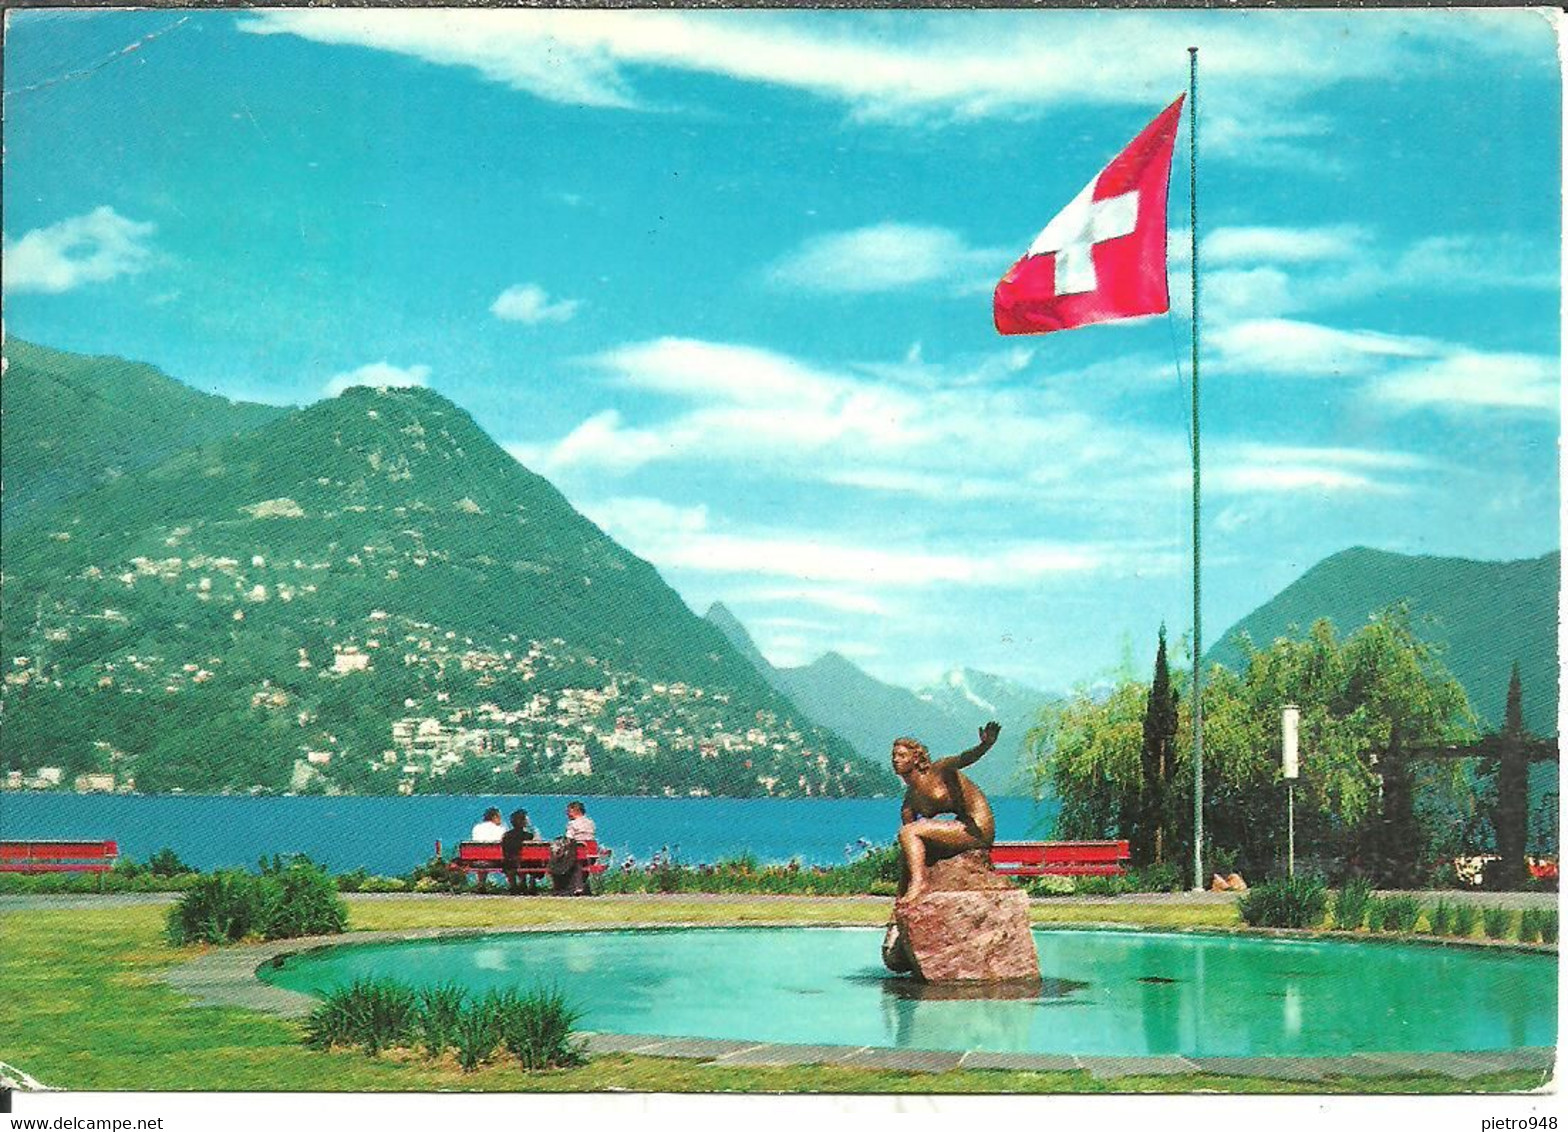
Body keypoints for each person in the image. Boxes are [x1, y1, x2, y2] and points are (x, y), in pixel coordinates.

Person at [892, 721, 1000, 903]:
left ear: (916, 759)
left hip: (977, 828)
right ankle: (911, 889)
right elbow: (909, 846)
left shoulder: (940, 770)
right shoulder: (910, 801)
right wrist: (900, 897)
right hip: (958, 828)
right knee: (909, 835)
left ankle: (920, 884)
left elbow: (964, 758)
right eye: (893, 755)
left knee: (909, 831)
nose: (895, 759)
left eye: (902, 755)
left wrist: (985, 745)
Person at [550, 800, 596, 896]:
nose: (567, 813)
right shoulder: (590, 822)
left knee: (555, 861)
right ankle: (580, 886)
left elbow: (569, 839)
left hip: (576, 854)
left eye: (569, 811)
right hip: (590, 854)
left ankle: (561, 888)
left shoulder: (572, 824)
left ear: (576, 811)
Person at [500, 809, 538, 895]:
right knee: (535, 861)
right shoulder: (529, 835)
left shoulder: (506, 836)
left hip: (509, 862)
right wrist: (531, 828)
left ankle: (514, 886)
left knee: (513, 861)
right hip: (525, 862)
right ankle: (531, 885)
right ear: (523, 822)